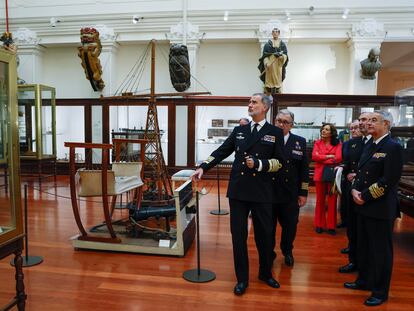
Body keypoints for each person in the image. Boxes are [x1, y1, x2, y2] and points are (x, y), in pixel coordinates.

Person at [192, 93, 285, 296]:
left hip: (262, 192)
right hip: (239, 191)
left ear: (265, 107)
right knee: (238, 236)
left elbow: (280, 163)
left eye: (254, 102)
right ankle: (242, 279)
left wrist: (260, 164)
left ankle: (265, 273)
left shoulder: (275, 132)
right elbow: (222, 150)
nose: (249, 105)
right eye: (249, 102)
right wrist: (203, 167)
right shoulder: (240, 130)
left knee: (265, 236)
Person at [345, 110, 403, 307]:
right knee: (364, 247)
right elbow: (359, 173)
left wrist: (365, 196)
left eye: (373, 120)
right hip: (362, 205)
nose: (367, 123)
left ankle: (380, 291)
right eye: (367, 120)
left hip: (379, 208)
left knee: (380, 252)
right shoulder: (369, 143)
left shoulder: (393, 147)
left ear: (386, 124)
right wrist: (354, 190)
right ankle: (364, 280)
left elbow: (388, 180)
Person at [272, 109, 309, 267]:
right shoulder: (268, 139)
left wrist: (303, 193)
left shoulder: (299, 141)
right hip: (270, 193)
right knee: (267, 226)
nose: (281, 124)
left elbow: (304, 170)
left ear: (291, 125)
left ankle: (287, 251)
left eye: (285, 122)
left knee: (290, 226)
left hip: (290, 194)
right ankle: (269, 252)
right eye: (279, 121)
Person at [339, 113, 371, 274]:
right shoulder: (353, 143)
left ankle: (363, 263)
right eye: (362, 121)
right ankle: (353, 259)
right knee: (351, 225)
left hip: (366, 191)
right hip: (350, 187)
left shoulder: (375, 144)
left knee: (363, 229)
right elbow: (347, 162)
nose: (363, 124)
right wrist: (342, 170)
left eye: (367, 121)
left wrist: (357, 174)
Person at [312, 123, 342, 235]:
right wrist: (329, 156)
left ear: (331, 133)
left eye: (326, 129)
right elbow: (314, 157)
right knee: (319, 200)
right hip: (320, 175)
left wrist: (322, 158)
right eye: (323, 129)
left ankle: (331, 226)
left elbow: (338, 158)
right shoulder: (317, 143)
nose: (323, 131)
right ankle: (319, 224)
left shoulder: (338, 143)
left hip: (332, 175)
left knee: (332, 200)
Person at [337, 120, 361, 228]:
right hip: (346, 177)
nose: (353, 130)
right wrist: (342, 166)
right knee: (345, 202)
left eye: (356, 127)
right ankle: (345, 221)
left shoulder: (366, 142)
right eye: (351, 128)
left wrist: (356, 174)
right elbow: (345, 160)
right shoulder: (346, 143)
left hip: (359, 178)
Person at [258, 28, 288, 95]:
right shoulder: (267, 44)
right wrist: (266, 63)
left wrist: (281, 56)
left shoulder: (282, 44)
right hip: (270, 66)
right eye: (274, 32)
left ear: (279, 33)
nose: (275, 33)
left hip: (278, 66)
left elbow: (285, 55)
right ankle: (268, 88)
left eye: (277, 32)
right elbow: (265, 56)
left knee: (278, 80)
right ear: (272, 33)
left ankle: (278, 88)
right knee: (269, 82)